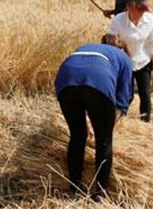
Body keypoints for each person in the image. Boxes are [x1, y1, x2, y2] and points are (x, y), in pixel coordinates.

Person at [55, 34, 133, 202]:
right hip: (100, 81)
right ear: (122, 49)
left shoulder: (86, 47)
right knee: (103, 142)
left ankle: (74, 188)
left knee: (77, 136)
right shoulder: (124, 58)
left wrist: (90, 122)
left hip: (66, 79)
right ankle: (100, 194)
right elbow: (122, 101)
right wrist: (108, 127)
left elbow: (81, 79)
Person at [108, 0, 153, 122]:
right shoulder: (118, 20)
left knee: (145, 95)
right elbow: (110, 40)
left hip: (143, 61)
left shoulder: (149, 19)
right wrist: (119, 48)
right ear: (129, 7)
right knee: (127, 95)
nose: (141, 15)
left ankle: (145, 123)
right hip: (125, 63)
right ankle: (115, 121)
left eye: (143, 12)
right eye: (139, 11)